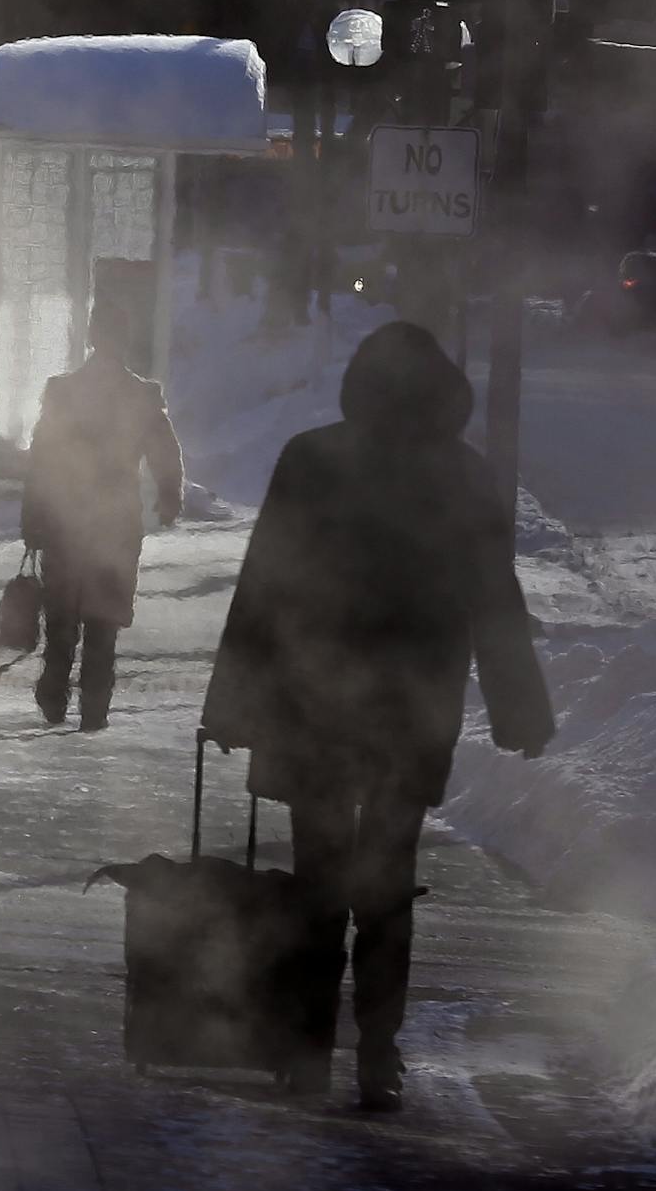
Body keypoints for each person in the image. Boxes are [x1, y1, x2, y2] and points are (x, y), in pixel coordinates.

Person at [199, 320, 554, 1112]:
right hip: (412, 710)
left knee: (318, 880)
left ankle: (306, 1049)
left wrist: (234, 700)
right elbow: (495, 600)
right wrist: (519, 709)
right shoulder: (465, 477)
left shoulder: (312, 459)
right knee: (387, 883)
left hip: (311, 705)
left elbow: (264, 584)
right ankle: (379, 1055)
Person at [0, 301, 183, 730]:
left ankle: (53, 697)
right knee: (103, 625)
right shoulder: (141, 396)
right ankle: (94, 713)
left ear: (91, 338)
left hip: (64, 522)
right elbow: (164, 451)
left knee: (62, 619)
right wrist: (169, 493)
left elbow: (42, 462)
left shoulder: (63, 391)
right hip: (117, 525)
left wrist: (33, 522)